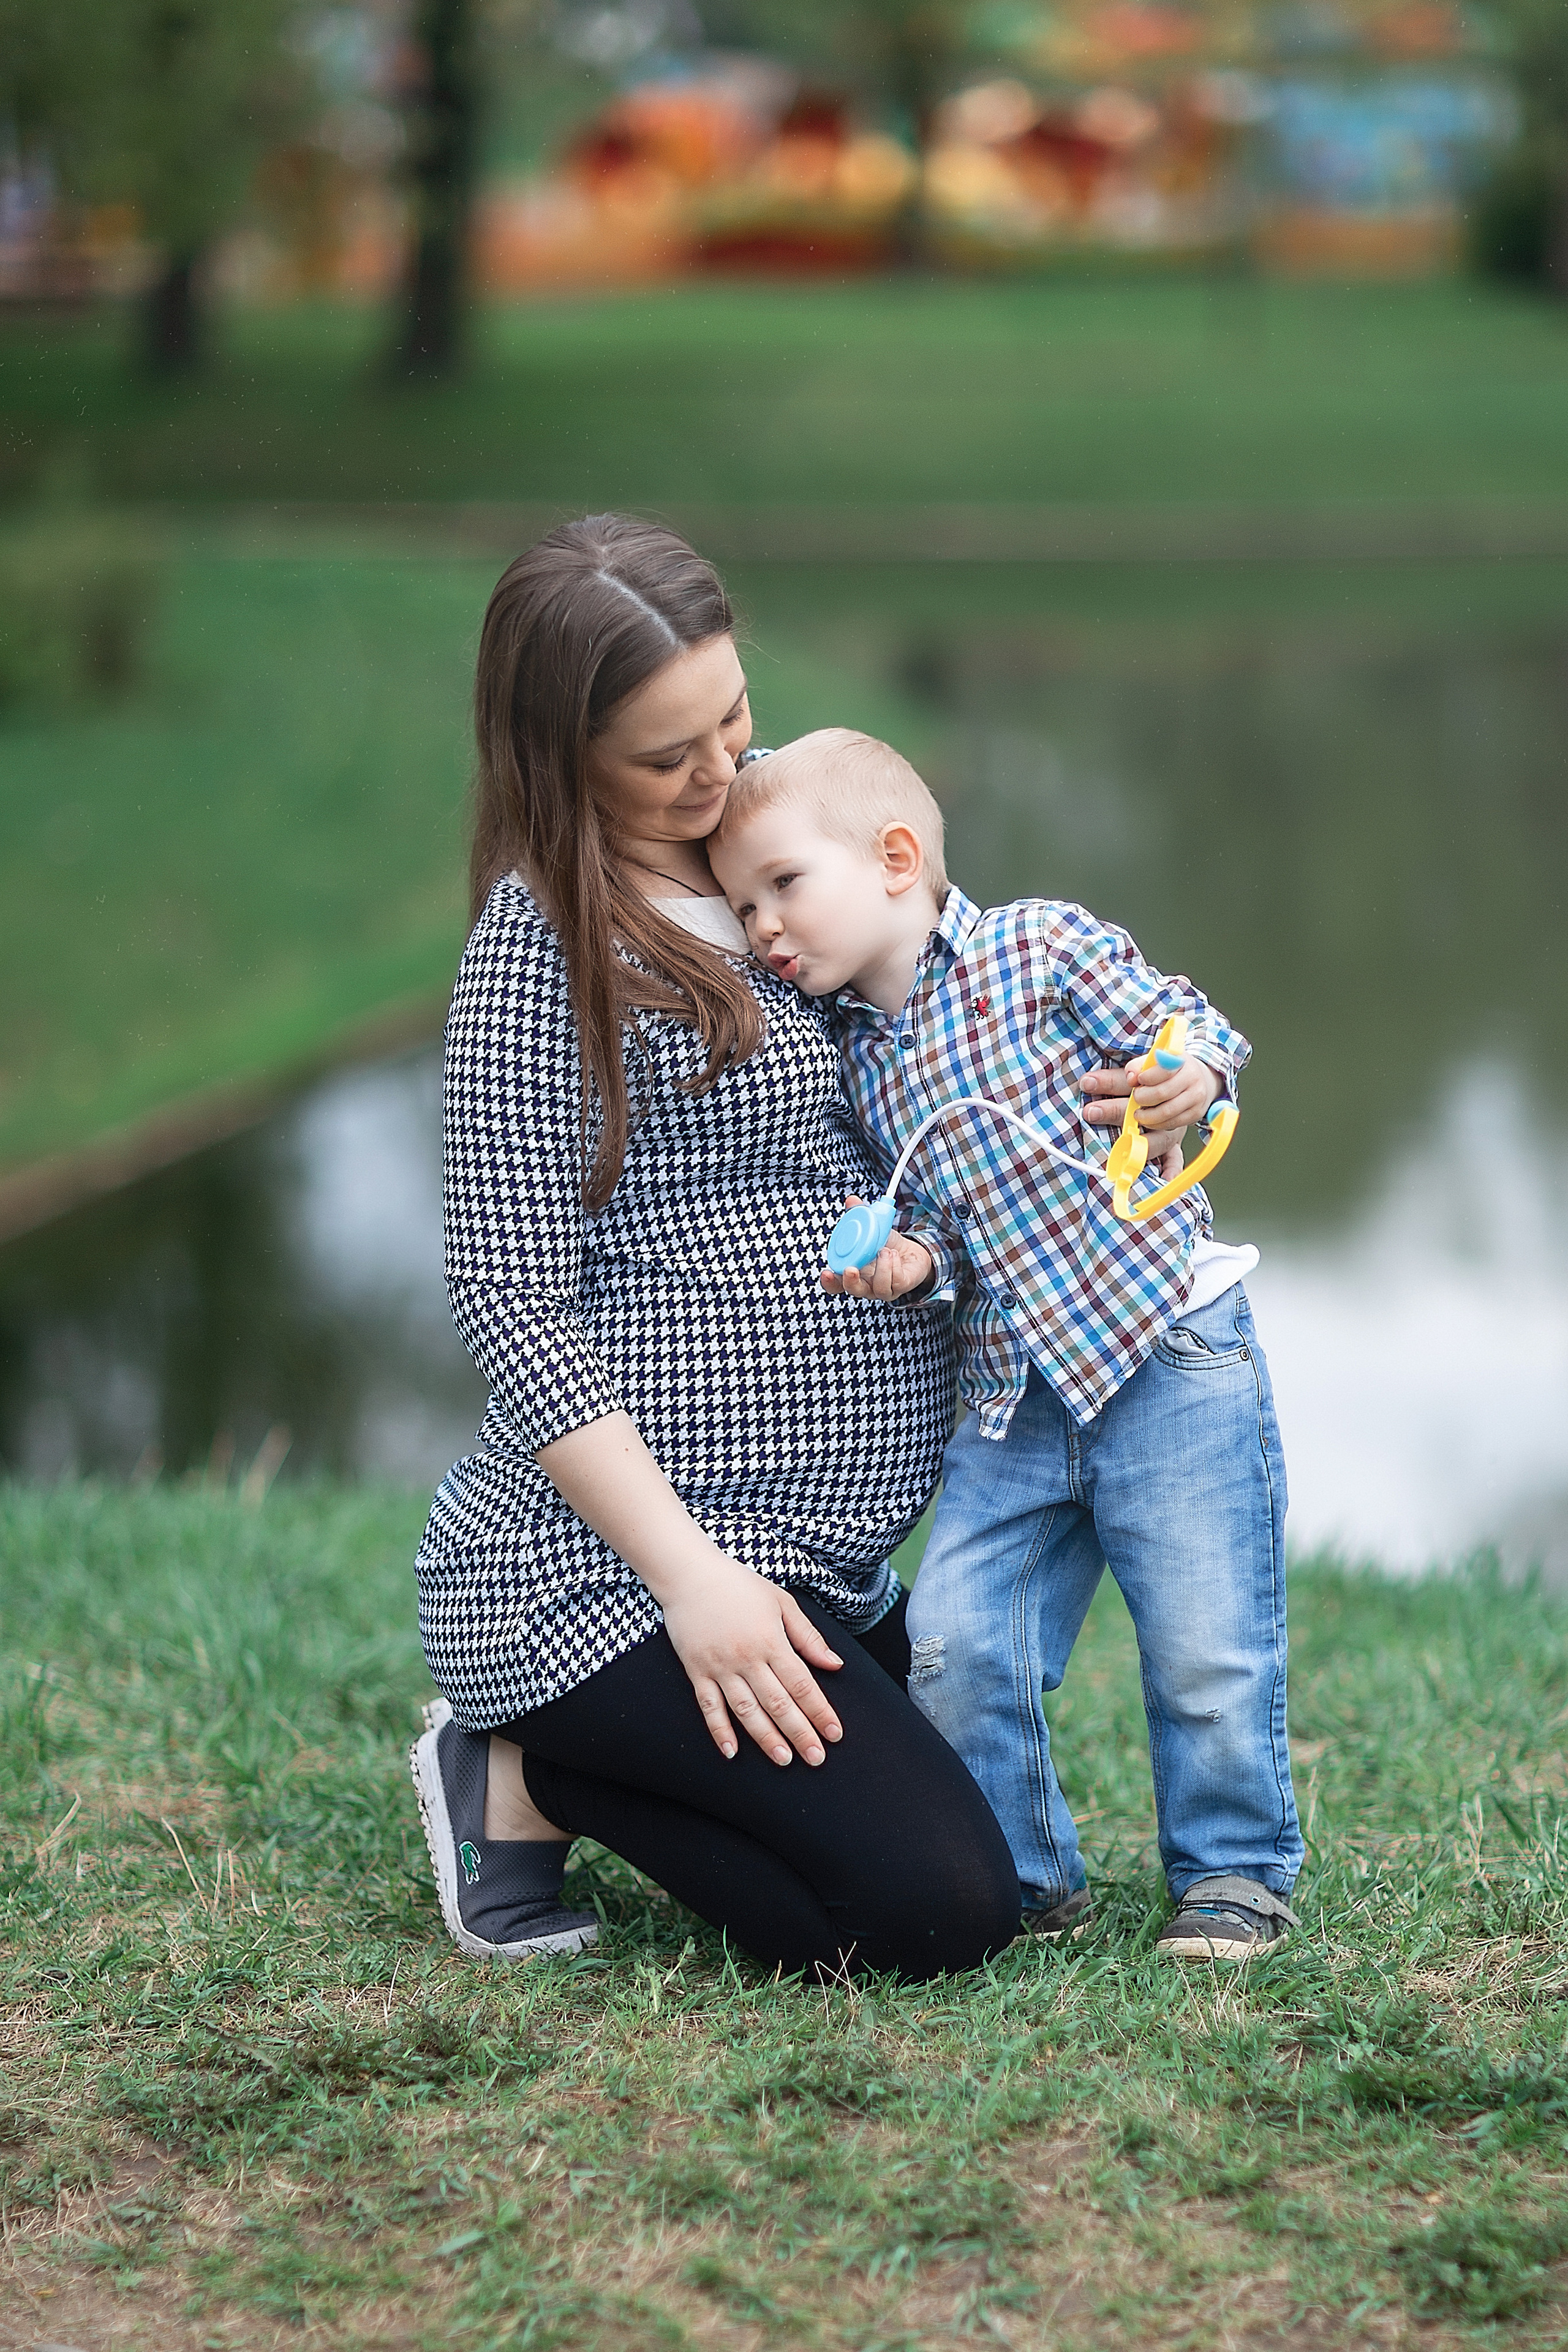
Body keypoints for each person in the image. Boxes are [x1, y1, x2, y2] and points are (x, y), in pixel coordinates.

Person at [407, 517, 1024, 1983]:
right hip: (616, 1569)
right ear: (558, 758)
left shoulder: (779, 845)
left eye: (730, 715)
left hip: (816, 1552)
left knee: (914, 1866)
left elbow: (968, 997)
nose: (717, 771)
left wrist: (1146, 1063)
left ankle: (566, 1763)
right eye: (661, 755)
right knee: (937, 1915)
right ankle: (514, 1769)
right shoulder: (542, 949)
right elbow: (505, 1294)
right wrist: (694, 1582)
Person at [708, 728, 1304, 1962]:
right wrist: (909, 1263)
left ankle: (1232, 1874)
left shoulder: (1037, 947)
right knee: (961, 1642)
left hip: (1164, 1351)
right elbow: (938, 1221)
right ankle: (1027, 1879)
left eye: (781, 885)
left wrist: (1184, 1079)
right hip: (1011, 1392)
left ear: (892, 858)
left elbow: (1187, 1022)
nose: (761, 925)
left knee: (1203, 1647)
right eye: (740, 904)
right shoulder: (853, 1063)